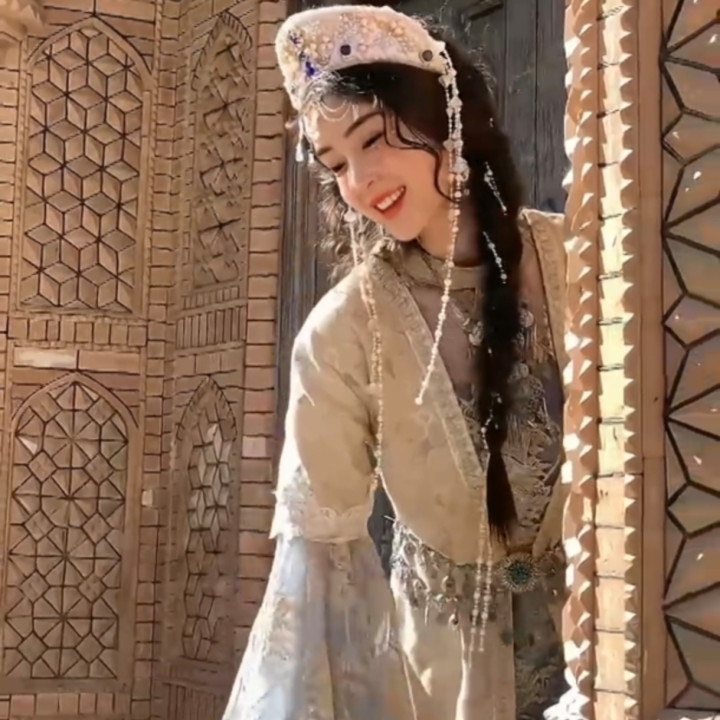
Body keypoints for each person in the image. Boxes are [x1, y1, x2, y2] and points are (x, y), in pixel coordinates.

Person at [223, 5, 576, 720]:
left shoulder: (581, 259)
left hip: (619, 653)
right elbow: (315, 568)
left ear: (444, 117)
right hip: (442, 689)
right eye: (335, 164)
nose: (360, 180)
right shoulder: (342, 335)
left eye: (373, 139)